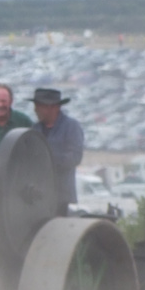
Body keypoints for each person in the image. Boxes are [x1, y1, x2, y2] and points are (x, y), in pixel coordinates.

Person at [32, 87, 84, 216]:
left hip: (61, 195)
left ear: (53, 107)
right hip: (38, 195)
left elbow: (75, 157)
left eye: (39, 106)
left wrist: (47, 160)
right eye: (36, 106)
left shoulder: (71, 127)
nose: (35, 110)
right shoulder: (34, 129)